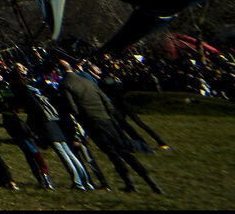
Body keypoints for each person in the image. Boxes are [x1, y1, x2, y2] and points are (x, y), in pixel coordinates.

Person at [58, 65, 162, 193]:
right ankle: (150, 181)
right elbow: (106, 100)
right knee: (123, 150)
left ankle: (129, 182)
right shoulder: (88, 81)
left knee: (111, 152)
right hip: (106, 118)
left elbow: (72, 107)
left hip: (91, 121)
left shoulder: (65, 84)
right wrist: (109, 116)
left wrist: (81, 121)